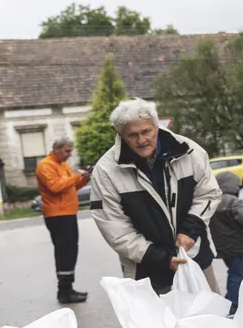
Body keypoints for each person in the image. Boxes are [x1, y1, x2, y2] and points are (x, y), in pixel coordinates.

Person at [90, 98, 222, 295]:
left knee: (210, 313)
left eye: (146, 131)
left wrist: (190, 229)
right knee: (159, 316)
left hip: (196, 258)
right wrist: (160, 258)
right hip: (147, 271)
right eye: (132, 135)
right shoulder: (106, 171)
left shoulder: (190, 151)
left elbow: (209, 193)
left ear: (156, 125)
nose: (141, 140)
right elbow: (115, 228)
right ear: (120, 134)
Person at [35, 137, 90, 304]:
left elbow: (70, 186)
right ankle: (64, 292)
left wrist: (84, 178)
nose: (70, 154)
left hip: (67, 213)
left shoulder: (62, 165)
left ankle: (68, 288)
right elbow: (55, 187)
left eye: (70, 151)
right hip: (57, 215)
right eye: (67, 151)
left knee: (70, 251)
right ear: (57, 149)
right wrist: (76, 176)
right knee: (65, 252)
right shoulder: (45, 165)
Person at [210, 171, 243, 314]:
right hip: (235, 245)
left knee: (232, 272)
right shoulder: (232, 201)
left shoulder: (214, 200)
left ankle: (229, 299)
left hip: (220, 245)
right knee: (237, 275)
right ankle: (233, 305)